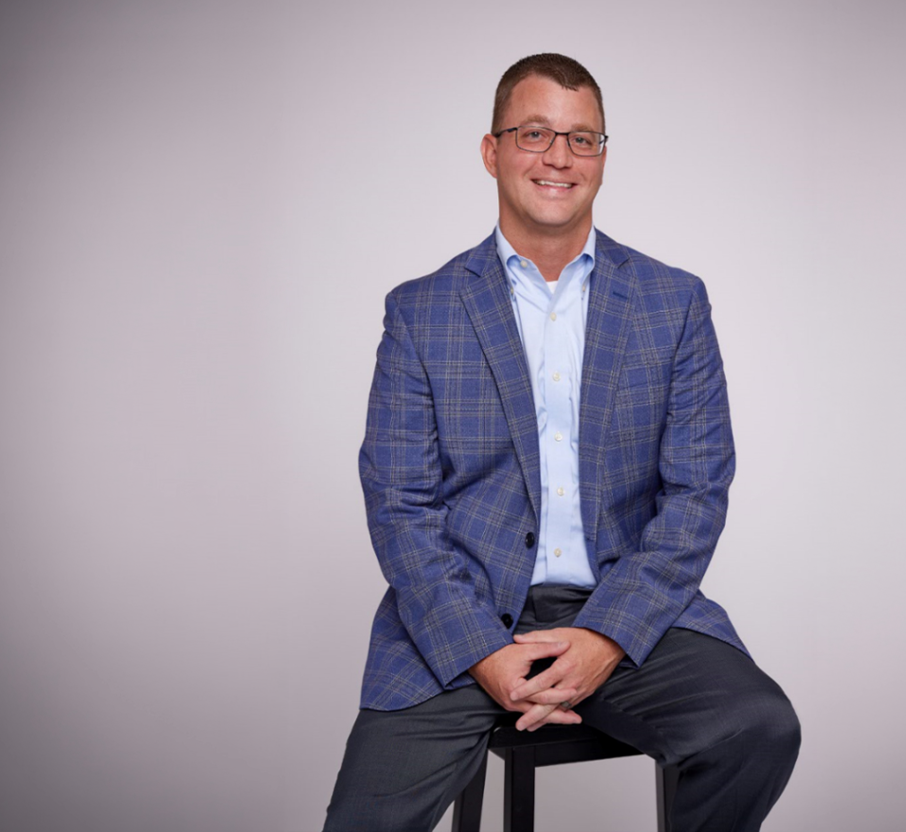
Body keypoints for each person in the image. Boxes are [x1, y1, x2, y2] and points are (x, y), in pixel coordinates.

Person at [323, 53, 800, 832]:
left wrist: (608, 634)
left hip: (627, 607)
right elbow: (400, 506)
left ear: (602, 158)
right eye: (535, 133)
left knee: (758, 728)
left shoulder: (673, 302)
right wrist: (483, 651)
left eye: (582, 139)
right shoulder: (421, 312)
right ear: (493, 151)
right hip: (464, 615)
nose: (559, 157)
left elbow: (697, 494)